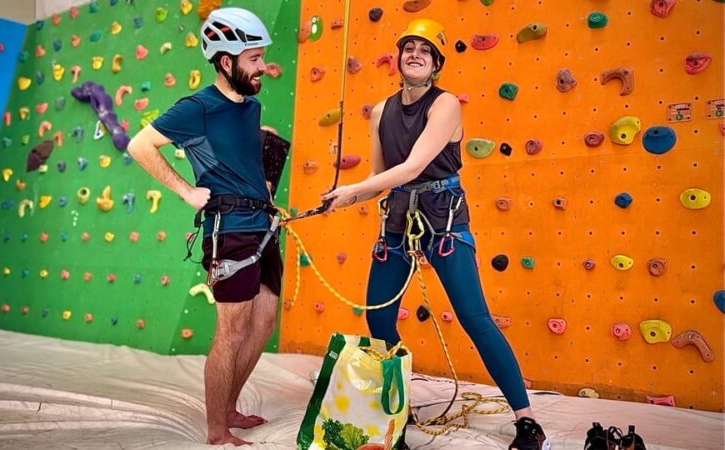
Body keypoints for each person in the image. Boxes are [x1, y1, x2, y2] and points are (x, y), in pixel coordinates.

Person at [321, 19, 550, 450]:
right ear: (398, 58)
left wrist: (353, 189)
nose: (415, 54)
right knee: (379, 318)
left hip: (443, 219)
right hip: (399, 217)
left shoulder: (445, 105)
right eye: (409, 47)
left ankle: (527, 421)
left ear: (436, 63)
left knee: (474, 317)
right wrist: (342, 199)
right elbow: (379, 177)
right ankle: (396, 410)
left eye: (425, 50)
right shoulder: (381, 112)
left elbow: (412, 167)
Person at [127, 7, 283, 446]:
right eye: (253, 59)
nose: (262, 67)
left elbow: (239, 158)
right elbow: (141, 145)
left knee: (263, 322)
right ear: (225, 61)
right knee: (231, 330)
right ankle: (217, 428)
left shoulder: (251, 107)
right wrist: (185, 190)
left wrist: (265, 186)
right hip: (228, 228)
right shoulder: (197, 107)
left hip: (263, 225)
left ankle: (230, 407)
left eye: (261, 57)